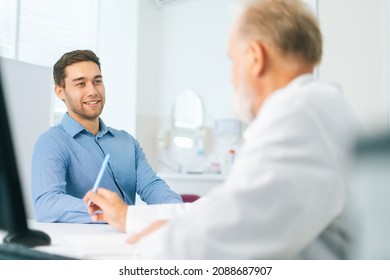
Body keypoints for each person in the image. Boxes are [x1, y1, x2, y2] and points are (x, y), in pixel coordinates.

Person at [84, 0, 359, 259]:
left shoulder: (297, 116)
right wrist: (129, 217)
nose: (231, 77)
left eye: (232, 60)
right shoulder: (319, 106)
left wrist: (148, 242)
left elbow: (229, 230)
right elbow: (223, 208)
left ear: (255, 56)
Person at [32, 50, 183, 223]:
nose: (92, 91)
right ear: (60, 91)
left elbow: (151, 186)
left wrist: (177, 210)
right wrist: (111, 212)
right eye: (80, 84)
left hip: (128, 238)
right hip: (83, 244)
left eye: (97, 81)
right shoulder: (51, 142)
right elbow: (47, 204)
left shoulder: (126, 142)